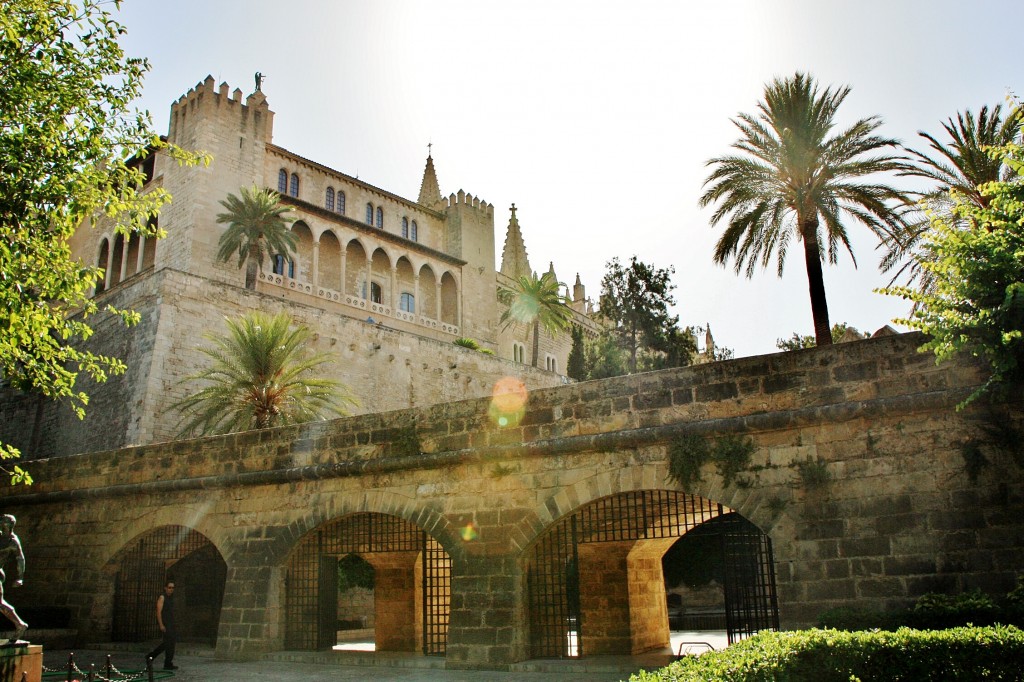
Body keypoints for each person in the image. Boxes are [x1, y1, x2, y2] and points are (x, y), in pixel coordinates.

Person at [0, 514, 28, 643]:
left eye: (4, 522)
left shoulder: (12, 541)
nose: (1, 523)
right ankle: (19, 624)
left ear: (10, 524)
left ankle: (19, 624)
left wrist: (20, 577)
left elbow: (20, 560)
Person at [146, 580, 178, 670]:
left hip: (171, 623)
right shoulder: (162, 597)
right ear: (165, 588)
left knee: (170, 643)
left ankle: (167, 662)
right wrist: (161, 625)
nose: (171, 589)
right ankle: (152, 656)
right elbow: (158, 612)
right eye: (169, 587)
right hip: (166, 623)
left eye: (172, 588)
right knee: (168, 643)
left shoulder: (171, 598)